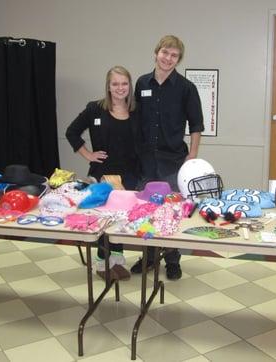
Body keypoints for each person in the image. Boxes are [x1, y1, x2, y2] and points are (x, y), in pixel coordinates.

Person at [131, 35, 204, 280]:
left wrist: (191, 157)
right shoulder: (142, 84)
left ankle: (172, 259)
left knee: (171, 212)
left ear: (178, 60)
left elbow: (196, 125)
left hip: (173, 160)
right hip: (146, 160)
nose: (168, 58)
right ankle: (150, 256)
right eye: (165, 53)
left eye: (174, 55)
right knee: (148, 210)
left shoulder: (186, 88)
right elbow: (134, 119)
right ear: (156, 53)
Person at [65, 65, 140, 280]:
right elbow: (71, 132)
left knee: (121, 220)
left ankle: (116, 261)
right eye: (115, 83)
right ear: (108, 86)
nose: (120, 88)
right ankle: (101, 265)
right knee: (104, 220)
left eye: (124, 83)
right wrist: (88, 154)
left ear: (129, 85)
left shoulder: (136, 110)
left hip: (130, 175)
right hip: (103, 174)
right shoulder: (94, 109)